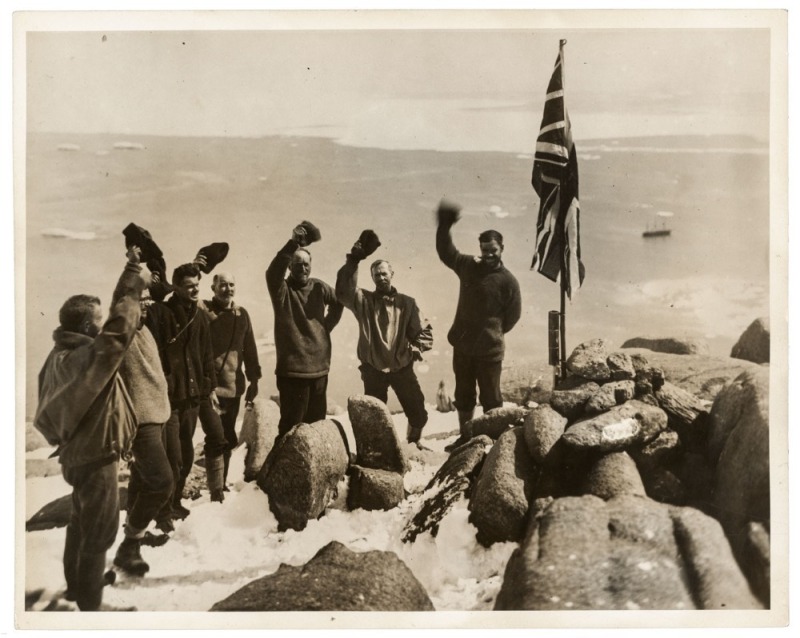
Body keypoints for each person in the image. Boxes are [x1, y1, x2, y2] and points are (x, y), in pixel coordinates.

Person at [34, 246, 145, 611]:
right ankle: (91, 611)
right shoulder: (87, 357)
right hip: (96, 458)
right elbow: (119, 334)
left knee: (80, 524)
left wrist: (130, 271)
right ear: (86, 327)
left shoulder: (57, 356)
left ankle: (79, 585)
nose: (102, 326)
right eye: (98, 321)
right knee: (98, 534)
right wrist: (135, 287)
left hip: (77, 455)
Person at [435, 198, 522, 451]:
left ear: (502, 248)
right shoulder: (468, 267)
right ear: (480, 249)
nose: (488, 255)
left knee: (491, 399)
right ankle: (466, 437)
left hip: (490, 351)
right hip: (463, 347)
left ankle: (491, 443)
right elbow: (446, 252)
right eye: (484, 250)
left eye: (493, 250)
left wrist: (490, 333)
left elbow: (512, 317)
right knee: (463, 396)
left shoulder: (508, 282)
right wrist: (444, 225)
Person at [147, 261, 229, 522]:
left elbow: (207, 356)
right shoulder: (161, 314)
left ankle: (176, 500)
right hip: (169, 399)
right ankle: (163, 510)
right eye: (189, 286)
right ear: (177, 288)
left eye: (197, 286)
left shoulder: (201, 317)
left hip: (193, 398)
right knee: (172, 457)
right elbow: (153, 353)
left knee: (186, 453)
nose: (195, 291)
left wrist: (209, 386)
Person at [336, 231, 433, 444]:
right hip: (374, 371)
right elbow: (343, 292)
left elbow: (425, 332)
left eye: (384, 273)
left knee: (417, 413)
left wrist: (417, 347)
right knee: (375, 418)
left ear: (392, 274)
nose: (381, 278)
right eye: (376, 275)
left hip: (402, 369)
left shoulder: (407, 303)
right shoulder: (363, 301)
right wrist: (353, 260)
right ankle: (379, 454)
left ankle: (412, 445)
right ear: (372, 278)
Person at [113, 284, 173, 575]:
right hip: (141, 421)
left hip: (156, 416)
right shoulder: (123, 332)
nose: (146, 304)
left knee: (141, 478)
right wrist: (134, 269)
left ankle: (133, 533)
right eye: (140, 299)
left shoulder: (144, 329)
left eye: (148, 299)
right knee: (162, 482)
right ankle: (129, 546)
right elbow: (121, 298)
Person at [266, 221, 343, 439]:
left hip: (319, 369)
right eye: (297, 264)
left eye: (306, 264)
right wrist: (293, 243)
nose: (303, 268)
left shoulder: (319, 287)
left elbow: (339, 301)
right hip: (293, 372)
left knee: (316, 429)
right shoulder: (282, 290)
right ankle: (281, 471)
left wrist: (325, 327)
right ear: (289, 266)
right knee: (291, 430)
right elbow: (273, 272)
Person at [200, 271, 261, 487]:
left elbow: (250, 349)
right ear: (213, 288)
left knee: (227, 437)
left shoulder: (242, 315)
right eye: (223, 285)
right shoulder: (203, 312)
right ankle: (215, 490)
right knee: (216, 438)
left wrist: (254, 380)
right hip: (210, 389)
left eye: (232, 284)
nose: (228, 289)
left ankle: (221, 485)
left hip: (234, 388)